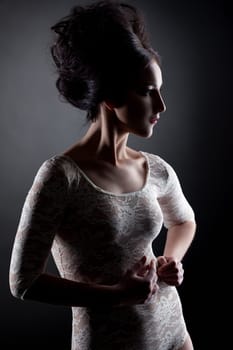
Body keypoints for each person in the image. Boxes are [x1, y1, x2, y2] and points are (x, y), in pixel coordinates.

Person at [9, 1, 196, 349]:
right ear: (110, 95)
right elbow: (23, 282)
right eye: (147, 91)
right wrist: (114, 295)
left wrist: (170, 260)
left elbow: (185, 222)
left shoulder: (154, 169)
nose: (161, 106)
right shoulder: (61, 177)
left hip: (174, 335)